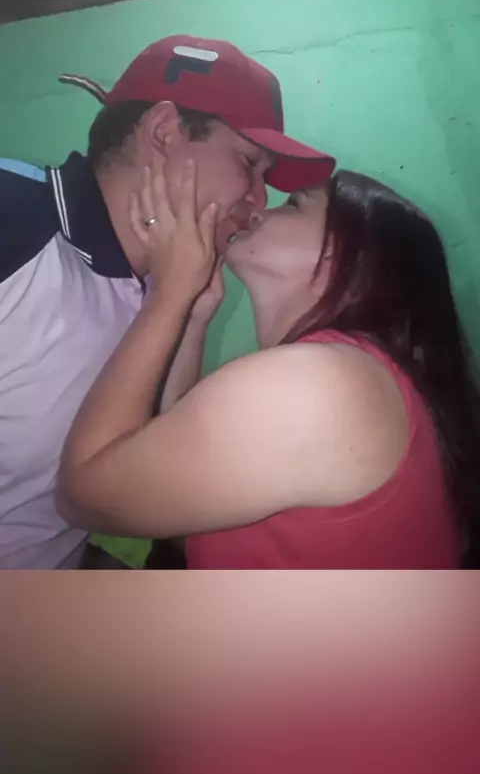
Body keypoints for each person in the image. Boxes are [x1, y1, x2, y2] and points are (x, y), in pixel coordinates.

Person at [0, 35, 335, 569]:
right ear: (162, 133)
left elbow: (145, 471)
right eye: (249, 163)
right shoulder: (13, 214)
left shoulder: (161, 284)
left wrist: (187, 312)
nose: (259, 199)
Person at [58, 157, 480, 570]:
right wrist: (193, 316)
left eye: (293, 204)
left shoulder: (320, 386)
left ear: (346, 256)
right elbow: (176, 500)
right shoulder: (354, 378)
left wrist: (171, 292)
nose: (259, 209)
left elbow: (82, 496)